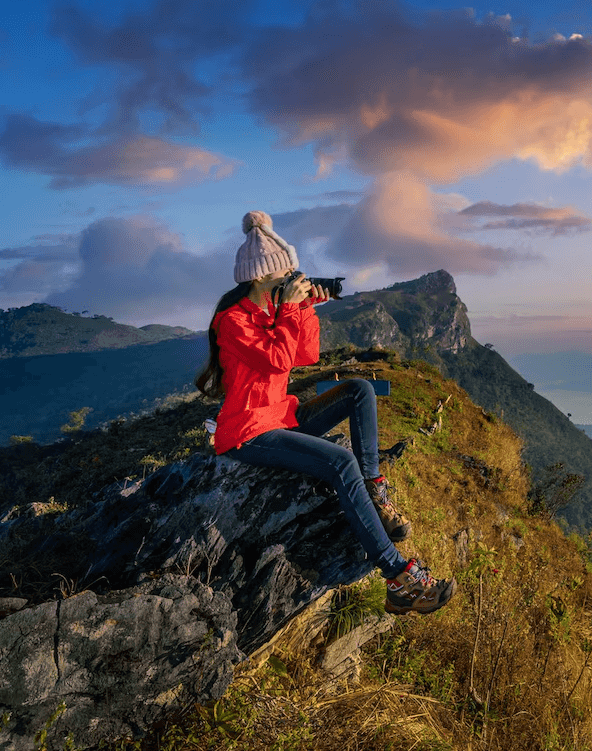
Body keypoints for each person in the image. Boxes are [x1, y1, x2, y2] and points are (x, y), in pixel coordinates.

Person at [194, 210, 454, 615]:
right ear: (260, 278)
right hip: (248, 431)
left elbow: (307, 354)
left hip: (281, 417)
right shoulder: (233, 321)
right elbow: (278, 361)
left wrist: (303, 309)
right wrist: (288, 310)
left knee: (359, 390)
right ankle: (398, 578)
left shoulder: (271, 313)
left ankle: (373, 489)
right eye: (285, 273)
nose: (292, 279)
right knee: (340, 462)